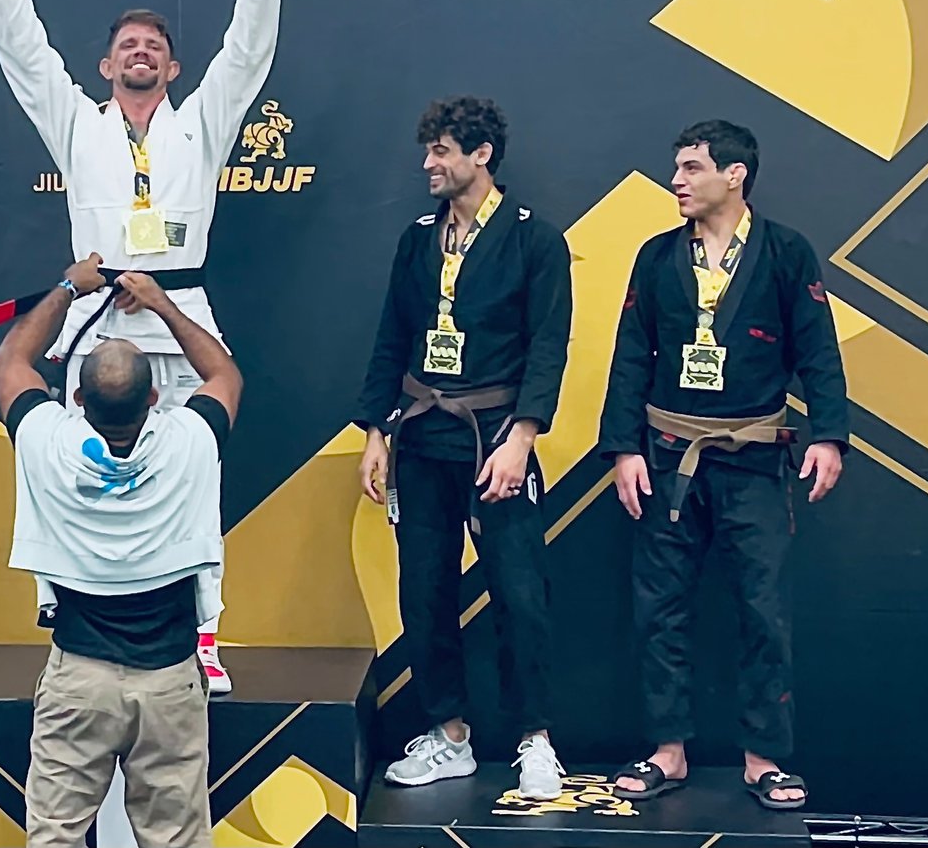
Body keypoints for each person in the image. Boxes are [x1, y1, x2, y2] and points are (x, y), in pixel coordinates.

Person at [0, 0, 294, 694]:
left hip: (181, 306)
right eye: (127, 47)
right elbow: (23, 54)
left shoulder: (202, 126)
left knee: (195, 471)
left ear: (173, 69)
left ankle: (206, 631)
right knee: (72, 463)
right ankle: (65, 617)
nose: (141, 54)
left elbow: (248, 52)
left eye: (154, 47)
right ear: (107, 66)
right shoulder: (77, 123)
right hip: (99, 315)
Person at [600, 120, 848, 811]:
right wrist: (623, 447)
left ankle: (765, 758)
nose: (677, 179)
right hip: (669, 455)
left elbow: (818, 351)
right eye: (677, 167)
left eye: (691, 167)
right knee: (660, 609)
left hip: (754, 460)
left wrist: (828, 434)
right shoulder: (656, 258)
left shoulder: (787, 253)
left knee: (763, 610)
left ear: (735, 174)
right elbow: (628, 359)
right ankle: (667, 750)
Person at [355, 96, 574, 801]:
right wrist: (376, 430)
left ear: (481, 155)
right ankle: (448, 734)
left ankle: (535, 740)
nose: (429, 163)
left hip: (495, 438)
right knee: (423, 590)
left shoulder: (535, 239)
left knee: (520, 593)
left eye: (442, 150)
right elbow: (393, 336)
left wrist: (523, 437)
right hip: (423, 434)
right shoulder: (417, 238)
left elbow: (548, 347)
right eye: (428, 151)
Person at [0, 253, 243, 848]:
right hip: (170, 681)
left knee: (54, 837)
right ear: (157, 397)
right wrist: (161, 302)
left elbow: (11, 359)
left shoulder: (46, 440)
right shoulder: (190, 442)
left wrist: (65, 288)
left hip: (78, 678)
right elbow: (224, 375)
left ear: (75, 399)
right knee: (176, 840)